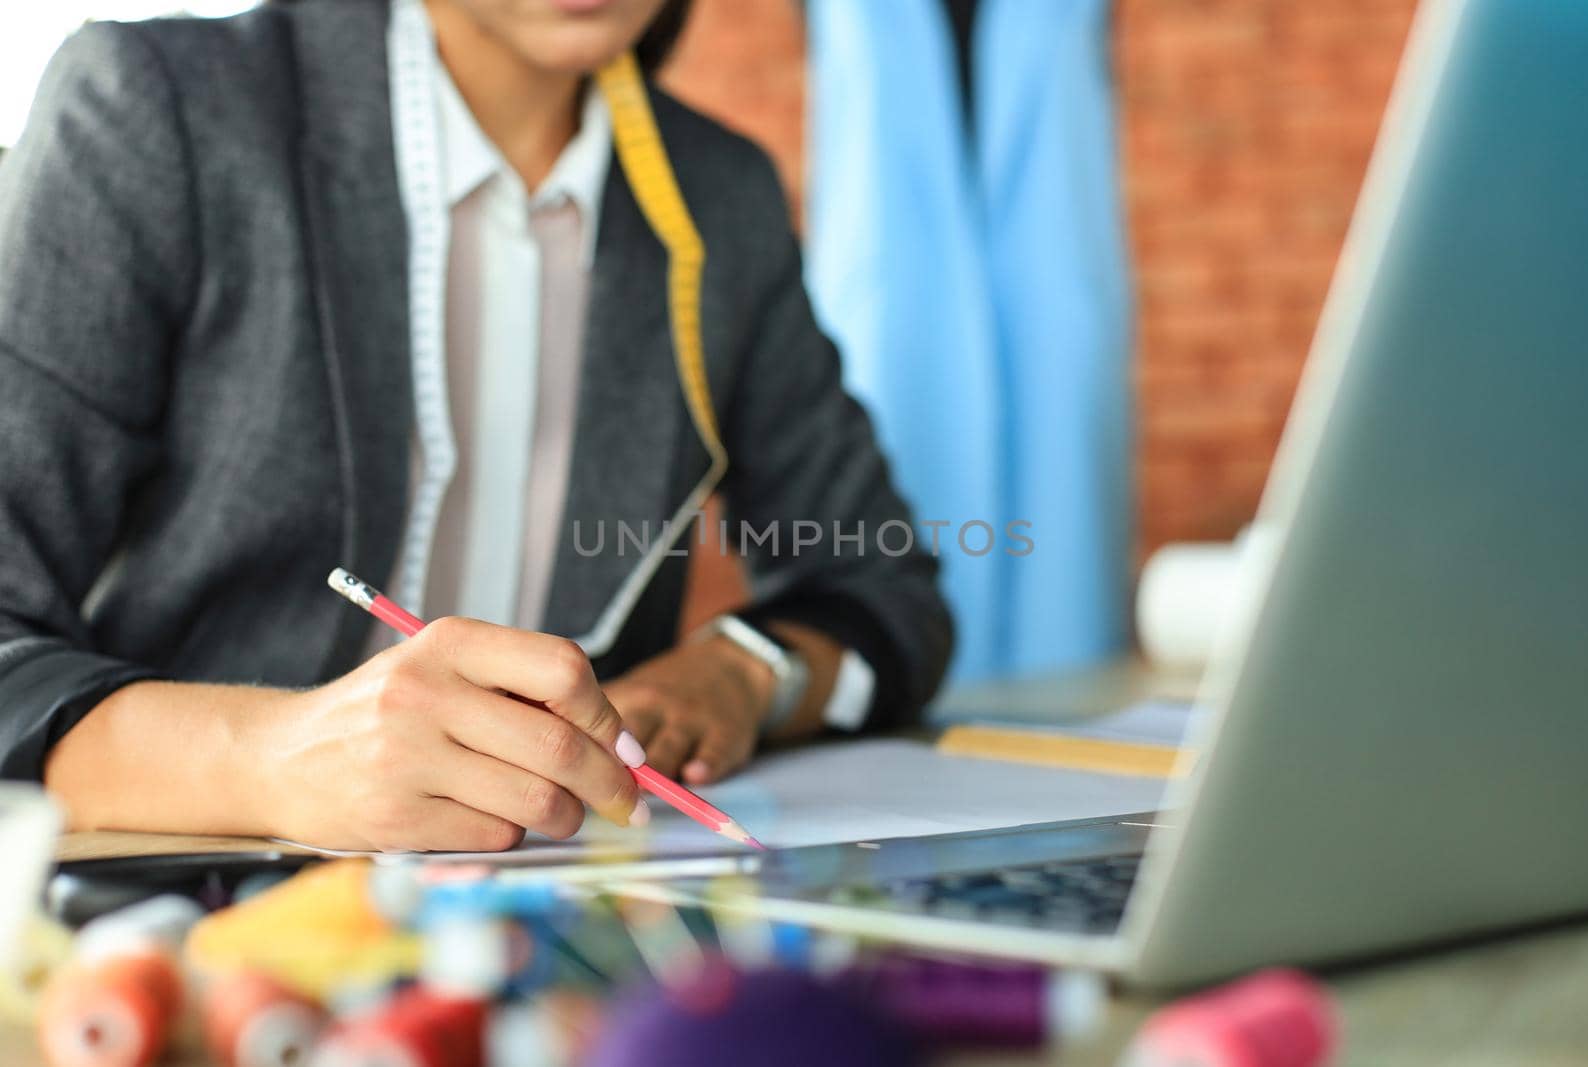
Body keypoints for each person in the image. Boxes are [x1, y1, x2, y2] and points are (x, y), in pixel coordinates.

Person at [0, 0, 951, 851]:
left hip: (569, 934)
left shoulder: (717, 199)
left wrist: (748, 671)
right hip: (182, 942)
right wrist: (273, 759)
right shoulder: (161, 110)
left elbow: (884, 586)